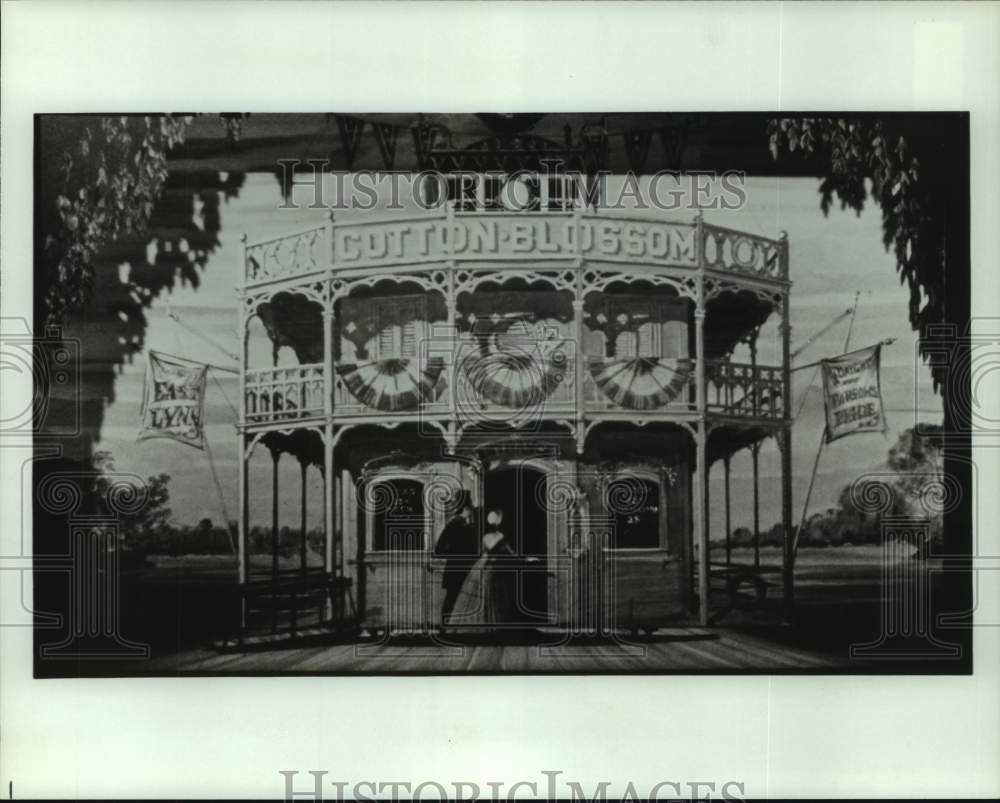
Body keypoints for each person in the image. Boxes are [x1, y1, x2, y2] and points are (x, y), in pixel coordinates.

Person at [432, 496, 478, 626]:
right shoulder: (457, 525)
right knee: (453, 597)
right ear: (464, 509)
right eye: (470, 509)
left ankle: (448, 625)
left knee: (455, 598)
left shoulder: (460, 524)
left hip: (459, 567)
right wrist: (457, 554)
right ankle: (446, 626)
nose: (471, 512)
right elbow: (439, 549)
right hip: (458, 567)